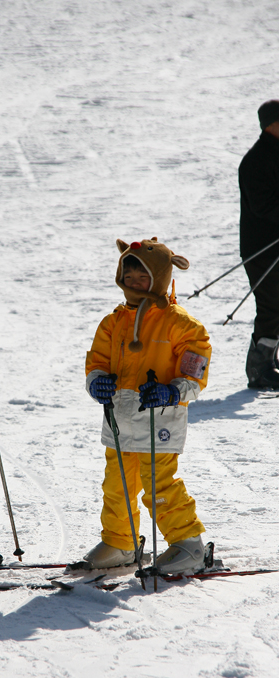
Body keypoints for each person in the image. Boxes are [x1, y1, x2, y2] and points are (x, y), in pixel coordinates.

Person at [83, 237, 211, 574]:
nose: (135, 284)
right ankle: (120, 541)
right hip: (119, 418)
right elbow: (97, 361)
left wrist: (173, 392)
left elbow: (195, 369)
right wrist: (97, 380)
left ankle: (189, 543)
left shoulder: (180, 323)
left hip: (159, 419)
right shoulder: (113, 322)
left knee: (159, 485)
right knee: (117, 485)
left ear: (161, 278)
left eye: (144, 278)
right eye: (129, 277)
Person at [239, 100, 279, 389]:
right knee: (271, 305)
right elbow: (262, 205)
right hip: (262, 248)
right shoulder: (256, 160)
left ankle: (269, 361)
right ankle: (259, 368)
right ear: (271, 124)